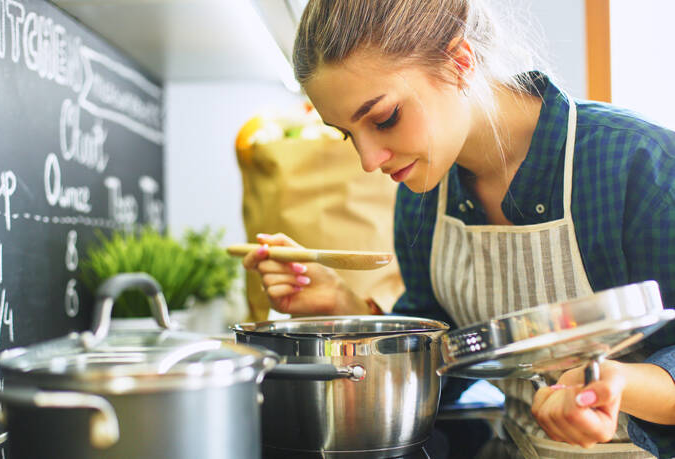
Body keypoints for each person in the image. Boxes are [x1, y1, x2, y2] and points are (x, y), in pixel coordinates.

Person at [242, 1, 675, 457]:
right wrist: (348, 309)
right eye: (348, 134)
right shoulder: (423, 196)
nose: (369, 161)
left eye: (385, 118)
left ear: (459, 62)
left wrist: (617, 383)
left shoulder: (638, 163)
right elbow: (444, 367)